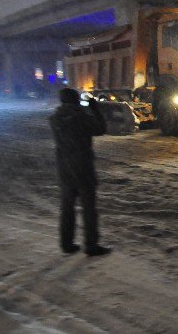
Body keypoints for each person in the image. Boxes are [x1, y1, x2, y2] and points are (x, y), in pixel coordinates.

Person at [49, 88, 112, 256]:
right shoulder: (80, 117)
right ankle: (91, 245)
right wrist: (94, 108)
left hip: (64, 169)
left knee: (67, 208)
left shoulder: (55, 119)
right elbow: (100, 128)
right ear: (76, 100)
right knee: (88, 208)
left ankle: (66, 243)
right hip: (83, 167)